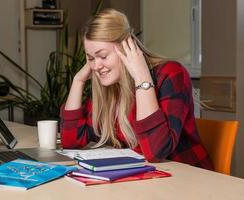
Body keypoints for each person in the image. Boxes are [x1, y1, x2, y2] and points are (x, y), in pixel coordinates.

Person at [60, 8, 213, 170]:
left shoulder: (171, 74)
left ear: (127, 48)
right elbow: (71, 142)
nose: (96, 66)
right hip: (139, 178)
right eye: (90, 58)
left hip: (187, 178)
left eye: (103, 56)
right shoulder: (111, 86)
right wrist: (78, 80)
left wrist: (142, 77)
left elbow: (156, 152)